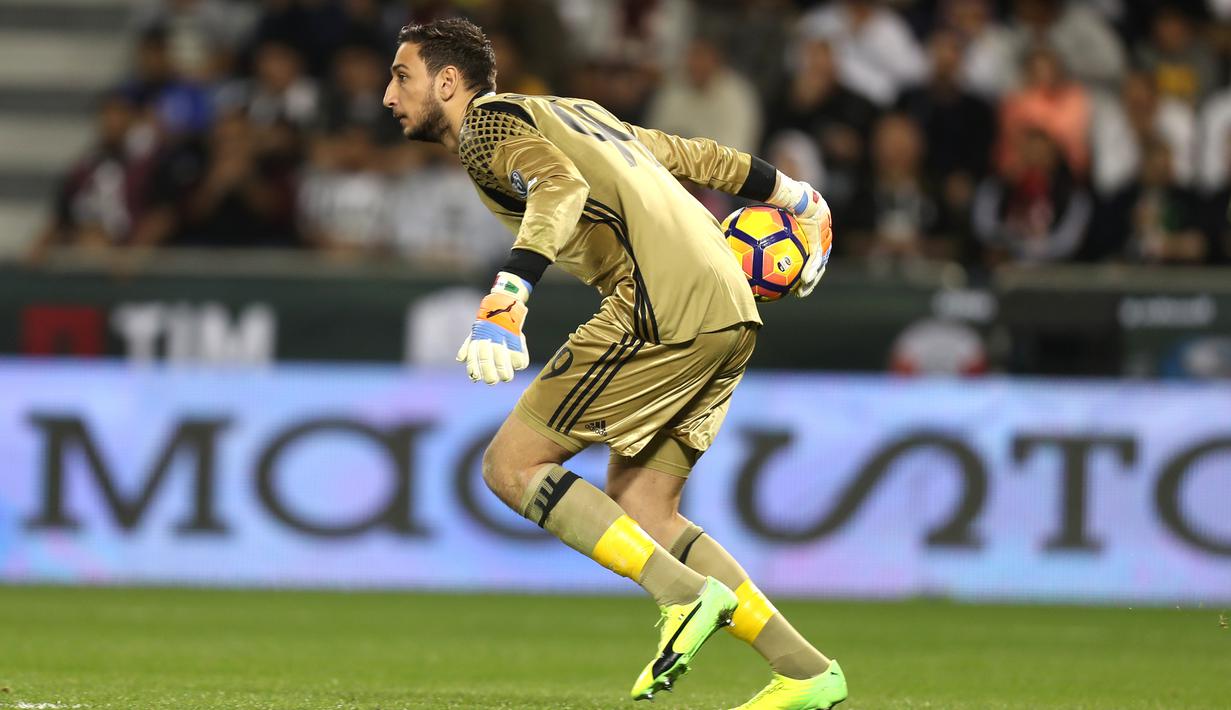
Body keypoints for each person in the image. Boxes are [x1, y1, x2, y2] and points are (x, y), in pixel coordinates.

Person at [382, 18, 845, 710]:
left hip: (661, 303)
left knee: (511, 467)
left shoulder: (484, 129)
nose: (388, 96)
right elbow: (684, 155)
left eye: (401, 76)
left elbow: (557, 189)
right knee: (645, 506)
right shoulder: (573, 111)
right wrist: (792, 196)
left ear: (447, 81)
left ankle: (683, 596)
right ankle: (807, 672)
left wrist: (508, 297)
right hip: (731, 310)